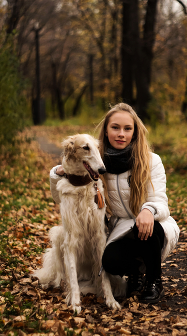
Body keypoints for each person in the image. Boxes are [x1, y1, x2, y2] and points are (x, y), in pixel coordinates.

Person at [50, 103, 180, 304]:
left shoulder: (151, 160)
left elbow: (160, 201)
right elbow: (65, 191)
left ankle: (154, 280)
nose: (121, 134)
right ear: (106, 130)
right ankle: (135, 275)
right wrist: (59, 172)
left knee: (146, 228)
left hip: (152, 224)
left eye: (127, 129)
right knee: (109, 261)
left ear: (135, 132)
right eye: (115, 128)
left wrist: (148, 210)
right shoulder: (98, 161)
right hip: (120, 227)